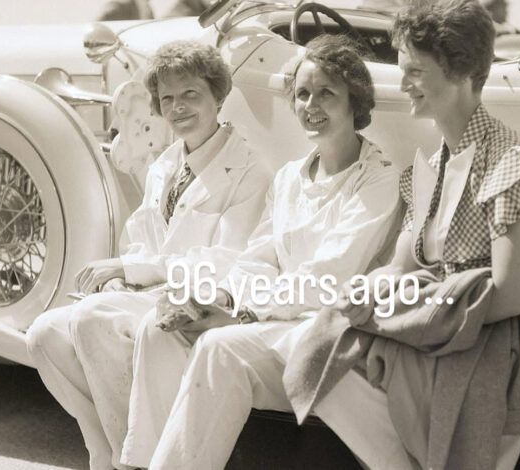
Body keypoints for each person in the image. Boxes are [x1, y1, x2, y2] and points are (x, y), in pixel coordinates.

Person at [305, 1, 520, 467]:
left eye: (415, 71)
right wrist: (363, 292)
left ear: (463, 72)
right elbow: (401, 267)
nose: (403, 84)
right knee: (326, 355)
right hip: (459, 325)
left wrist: (408, 314)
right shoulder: (432, 166)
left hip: (518, 338)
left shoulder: (510, 160)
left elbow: (510, 296)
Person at [119, 34, 410, 469]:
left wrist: (243, 315)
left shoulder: (378, 179)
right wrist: (218, 298)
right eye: (302, 94)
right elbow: (260, 258)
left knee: (220, 347)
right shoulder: (290, 177)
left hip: (334, 330)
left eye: (326, 93)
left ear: (355, 99)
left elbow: (327, 276)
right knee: (164, 330)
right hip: (279, 326)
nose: (311, 106)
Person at [25, 40, 272, 470]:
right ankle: (109, 453)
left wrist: (133, 268)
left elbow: (227, 261)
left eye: (191, 94)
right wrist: (122, 276)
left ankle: (134, 462)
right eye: (168, 98)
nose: (178, 107)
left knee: (92, 319)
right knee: (44, 334)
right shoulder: (165, 166)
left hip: (201, 301)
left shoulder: (249, 170)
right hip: (149, 295)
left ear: (218, 96)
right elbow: (140, 240)